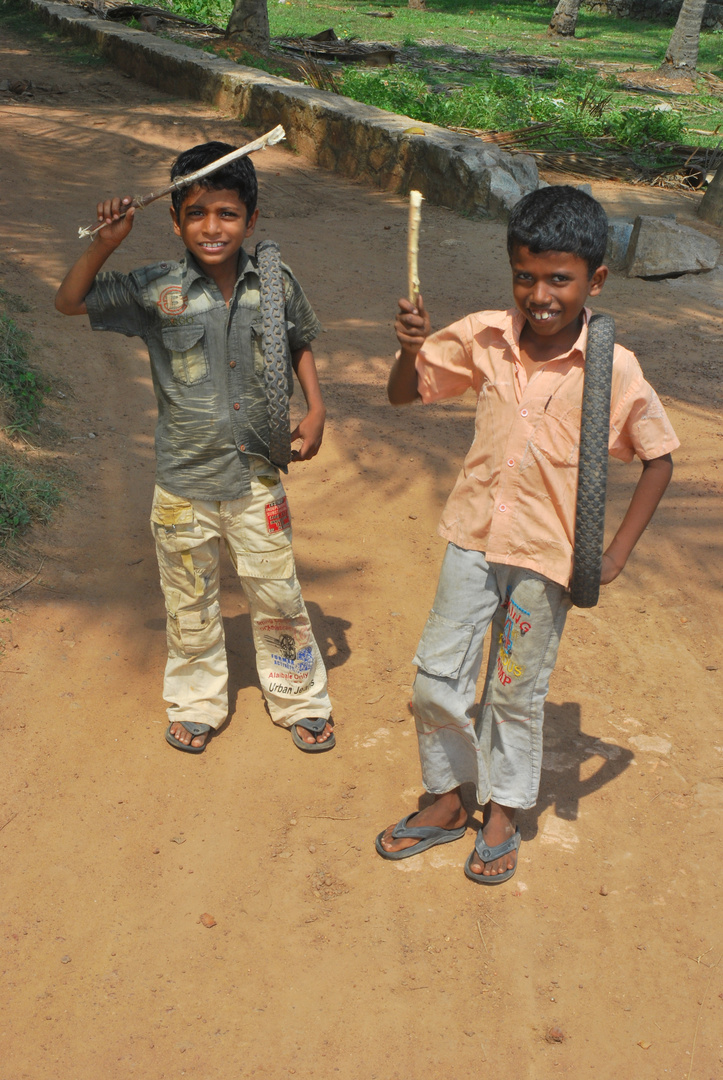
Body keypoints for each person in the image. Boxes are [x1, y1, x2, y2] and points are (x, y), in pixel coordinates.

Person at [375, 185, 678, 883]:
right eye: (524, 275)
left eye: (558, 279)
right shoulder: (483, 335)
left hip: (545, 562)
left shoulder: (615, 368)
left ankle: (504, 810)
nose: (538, 294)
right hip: (473, 540)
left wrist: (614, 554)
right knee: (434, 678)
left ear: (593, 280)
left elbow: (658, 458)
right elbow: (403, 392)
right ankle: (451, 798)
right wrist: (407, 350)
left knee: (513, 691)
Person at [55, 141, 335, 755]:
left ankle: (298, 697)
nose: (213, 228)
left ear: (252, 219)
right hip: (182, 484)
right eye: (199, 213)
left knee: (278, 592)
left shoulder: (276, 280)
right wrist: (106, 241)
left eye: (228, 214)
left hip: (258, 475)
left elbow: (300, 340)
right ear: (176, 219)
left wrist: (315, 407)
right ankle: (197, 700)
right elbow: (69, 301)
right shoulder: (156, 290)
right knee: (189, 602)